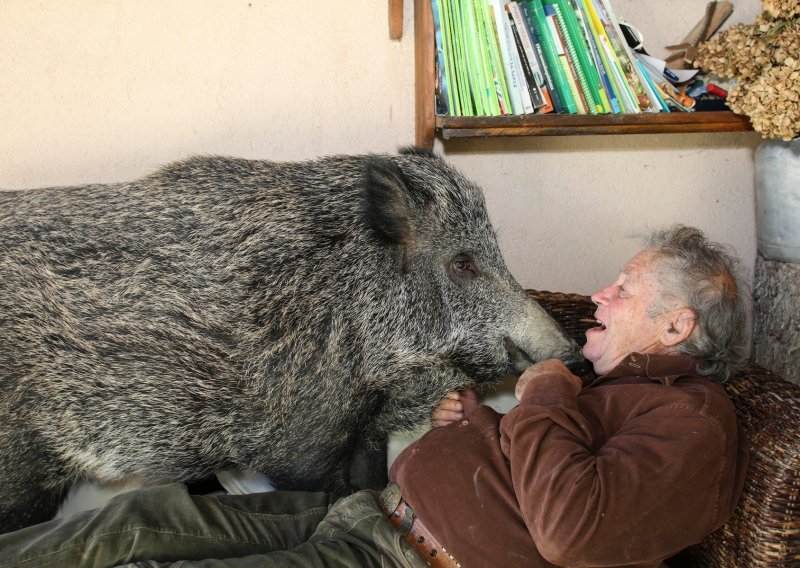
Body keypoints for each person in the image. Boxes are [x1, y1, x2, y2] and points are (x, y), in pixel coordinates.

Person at [0, 225, 750, 568]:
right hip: (372, 511)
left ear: (676, 324)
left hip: (400, 551)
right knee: (136, 514)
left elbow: (571, 530)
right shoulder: (617, 392)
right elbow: (545, 474)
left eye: (623, 289)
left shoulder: (694, 422)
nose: (599, 294)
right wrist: (480, 426)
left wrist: (545, 393)